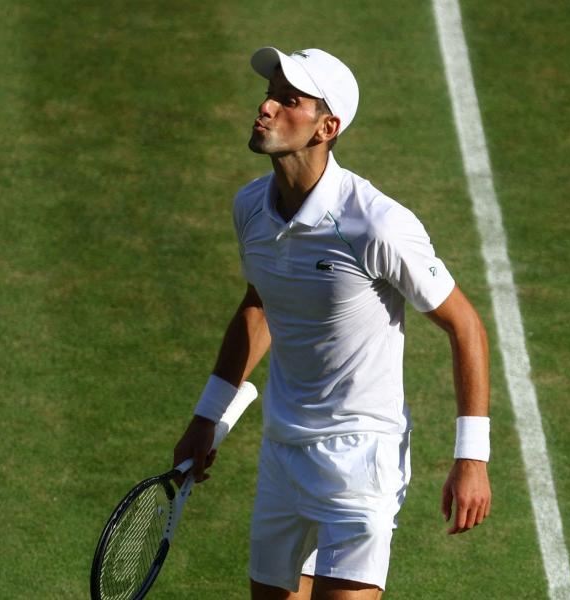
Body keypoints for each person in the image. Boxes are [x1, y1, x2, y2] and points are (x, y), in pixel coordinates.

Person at [173, 47, 492, 600]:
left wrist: (472, 458)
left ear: (327, 126)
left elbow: (464, 324)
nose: (265, 106)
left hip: (362, 457)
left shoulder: (376, 224)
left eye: (287, 99)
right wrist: (207, 414)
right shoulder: (249, 207)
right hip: (282, 450)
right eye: (269, 93)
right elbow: (260, 304)